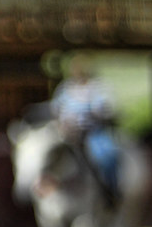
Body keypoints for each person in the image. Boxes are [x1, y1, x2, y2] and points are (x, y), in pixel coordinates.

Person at [50, 54, 121, 203]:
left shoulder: (97, 87)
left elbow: (104, 110)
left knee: (106, 157)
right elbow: (56, 109)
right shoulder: (66, 88)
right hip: (68, 134)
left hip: (92, 133)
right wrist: (64, 123)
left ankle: (110, 191)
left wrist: (93, 114)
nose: (78, 72)